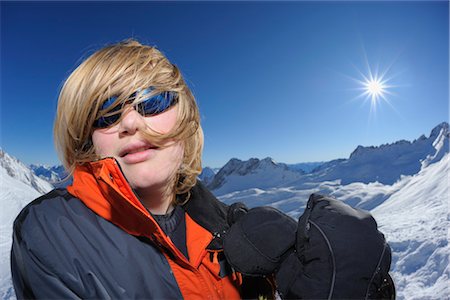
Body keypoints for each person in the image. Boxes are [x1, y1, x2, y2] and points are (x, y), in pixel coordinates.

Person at [11, 39, 394, 299]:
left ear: (185, 118)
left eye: (153, 100)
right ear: (87, 139)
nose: (130, 122)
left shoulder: (218, 219)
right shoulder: (52, 233)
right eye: (107, 112)